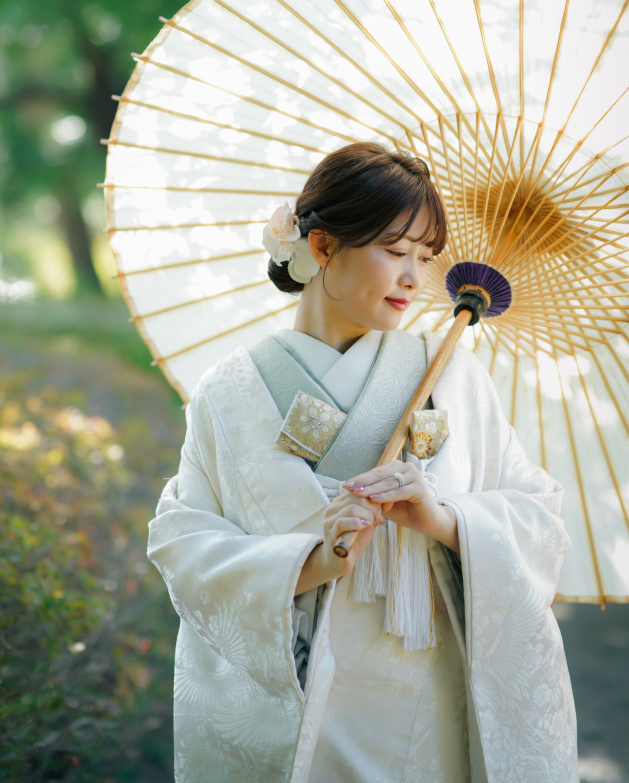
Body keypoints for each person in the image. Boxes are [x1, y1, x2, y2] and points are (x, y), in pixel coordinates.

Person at [147, 142, 577, 783]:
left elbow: (538, 516)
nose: (415, 278)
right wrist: (311, 559)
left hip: (426, 703)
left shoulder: (451, 373)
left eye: (426, 258)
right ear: (321, 247)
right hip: (295, 703)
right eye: (396, 251)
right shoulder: (228, 392)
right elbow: (185, 542)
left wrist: (443, 517)